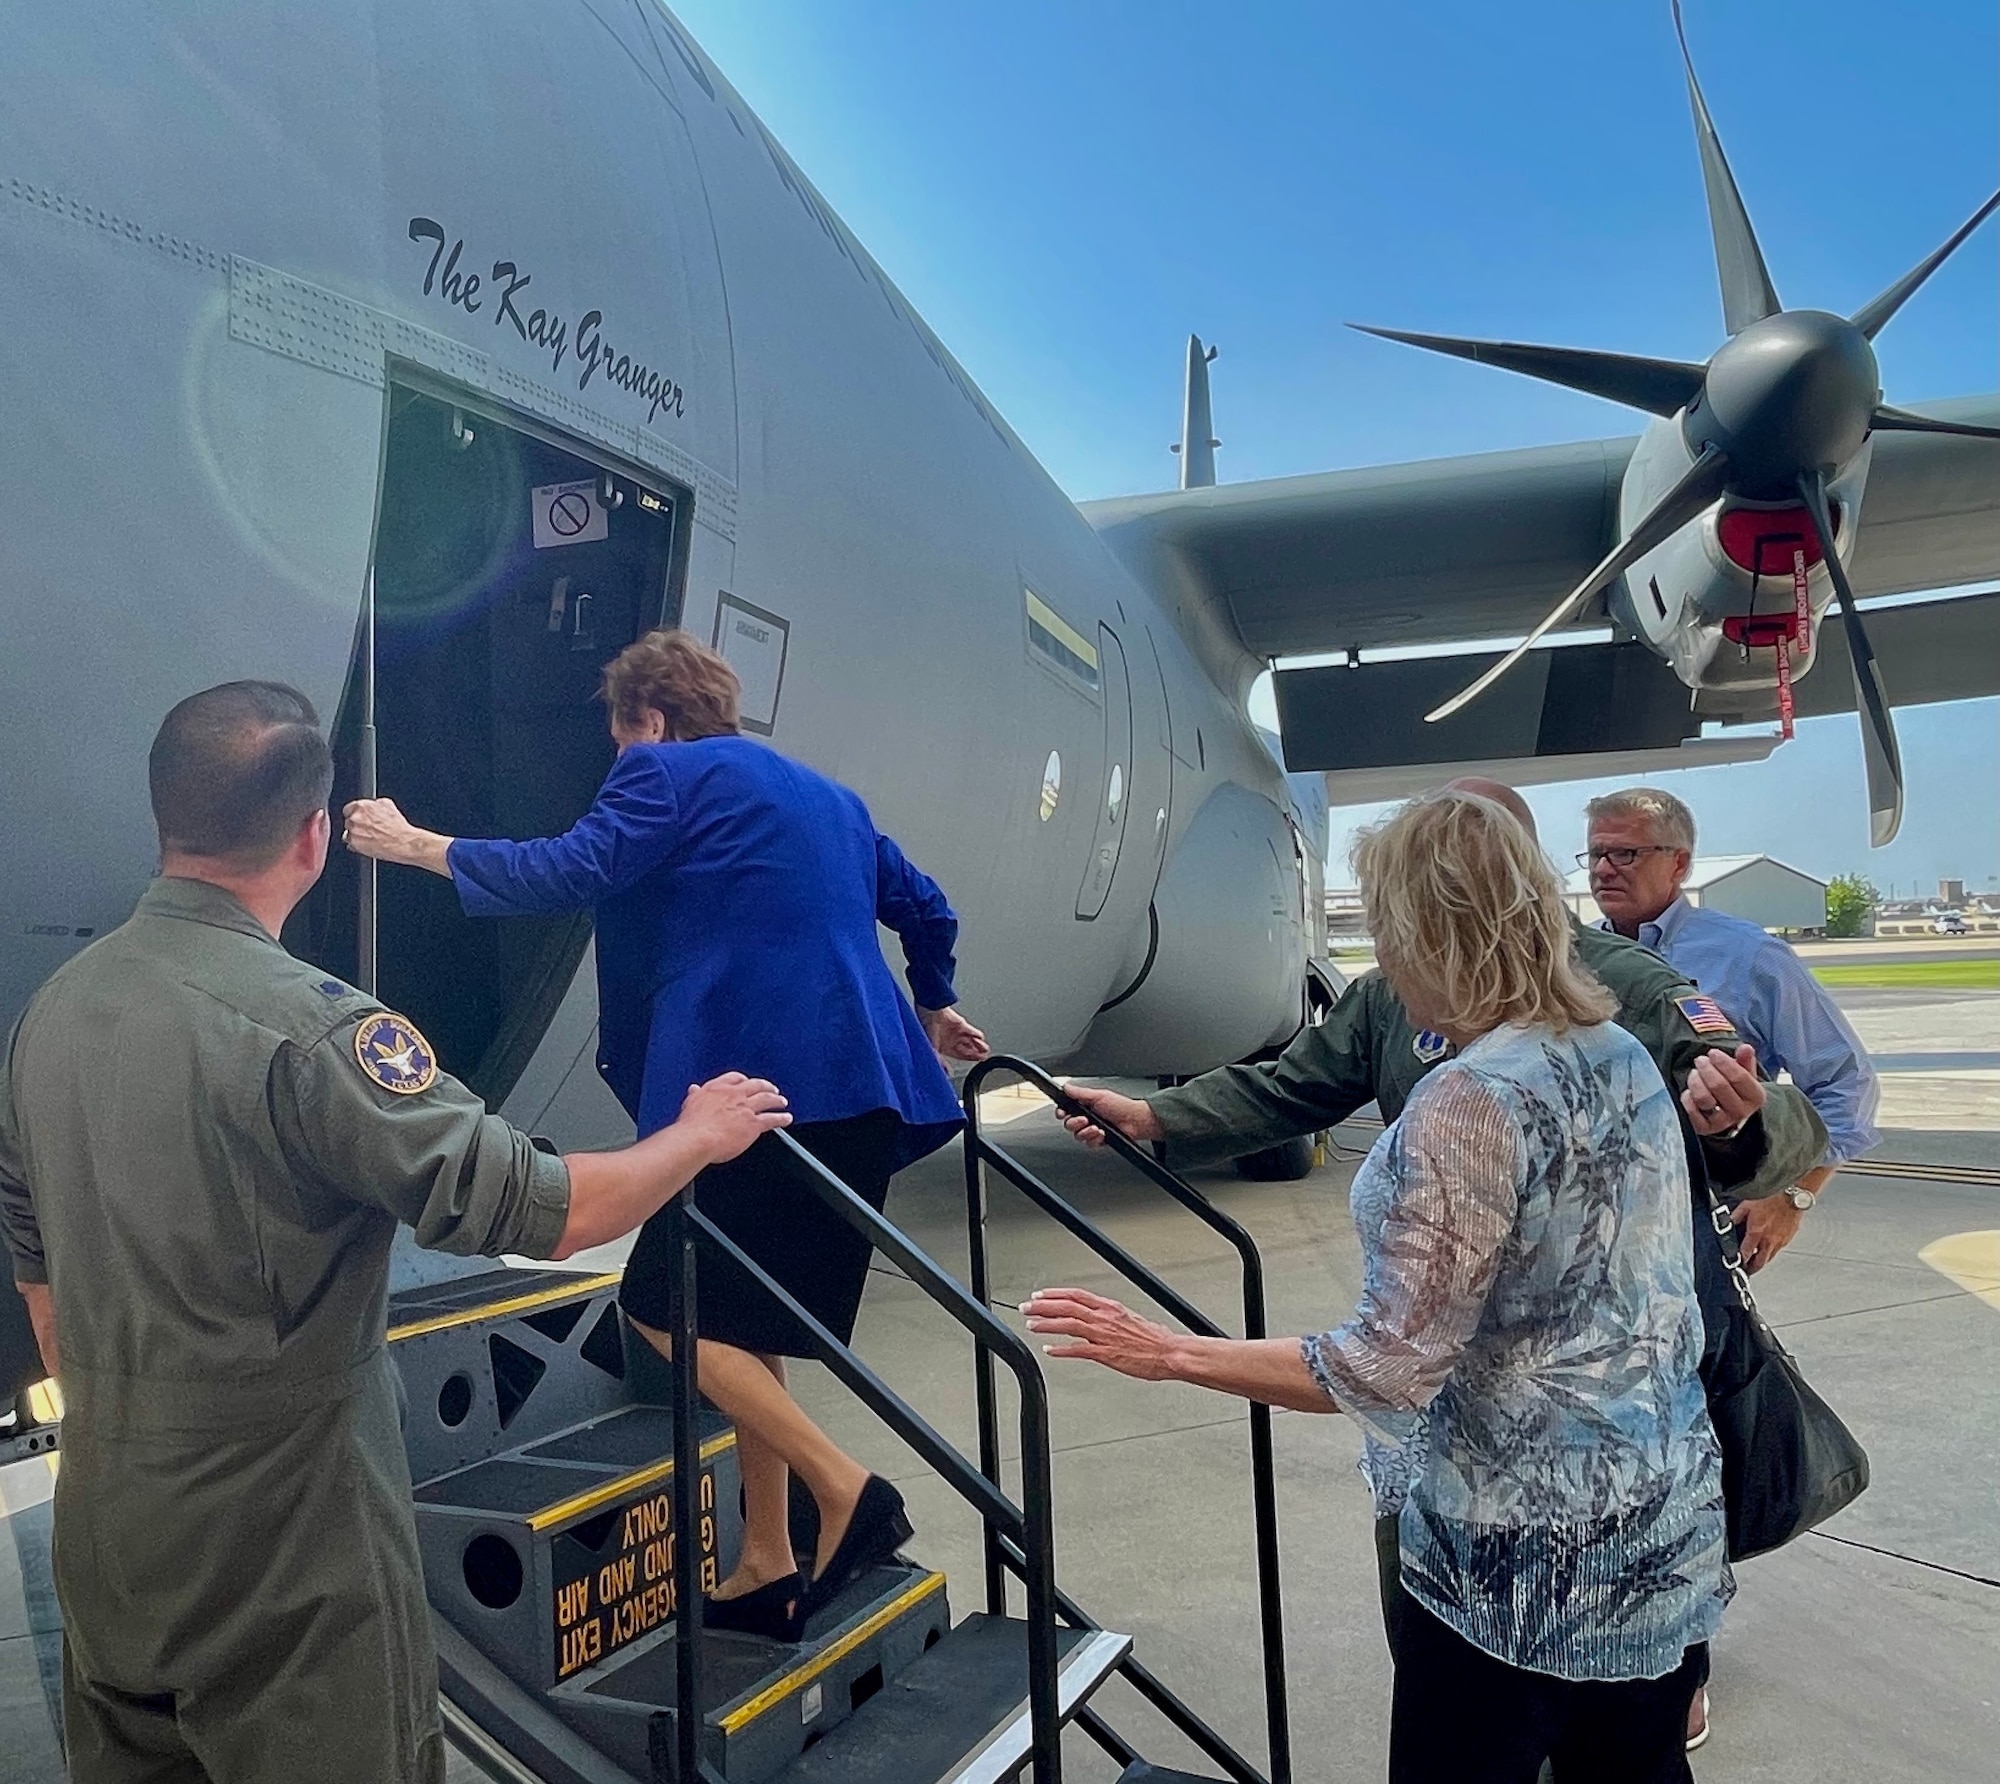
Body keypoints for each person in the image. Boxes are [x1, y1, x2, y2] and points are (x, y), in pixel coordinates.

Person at [0, 681, 791, 1784]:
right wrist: (700, 1134)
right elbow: (559, 1213)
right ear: (315, 835)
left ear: (164, 818)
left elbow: (38, 1276)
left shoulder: (55, 1010)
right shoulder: (316, 1030)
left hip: (110, 1527)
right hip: (285, 1543)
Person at [1058, 777, 1820, 1753]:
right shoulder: (1609, 1047)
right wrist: (1162, 1115)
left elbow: (1384, 1369)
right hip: (1647, 1520)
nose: (1375, 952)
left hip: (1503, 1544)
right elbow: (1301, 1080)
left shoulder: (1478, 1091)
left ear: (1431, 929)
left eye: (1384, 924)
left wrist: (1167, 1351)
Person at [344, 627, 987, 1640]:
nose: (616, 753)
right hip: (855, 1094)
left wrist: (412, 842)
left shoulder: (663, 774)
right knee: (739, 1323)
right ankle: (767, 1558)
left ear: (648, 717)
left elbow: (565, 869)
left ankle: (845, 1486)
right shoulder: (828, 796)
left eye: (617, 732)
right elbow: (928, 909)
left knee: (658, 1305)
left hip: (755, 1103)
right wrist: (936, 1003)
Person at [1585, 787, 1879, 1273]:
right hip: (1596, 1228)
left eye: (1625, 853)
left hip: (1700, 1225)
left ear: (1679, 864)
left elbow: (1846, 1083)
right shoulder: (1576, 957)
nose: (1602, 869)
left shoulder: (1749, 956)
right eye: (1597, 853)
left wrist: (1791, 1194)